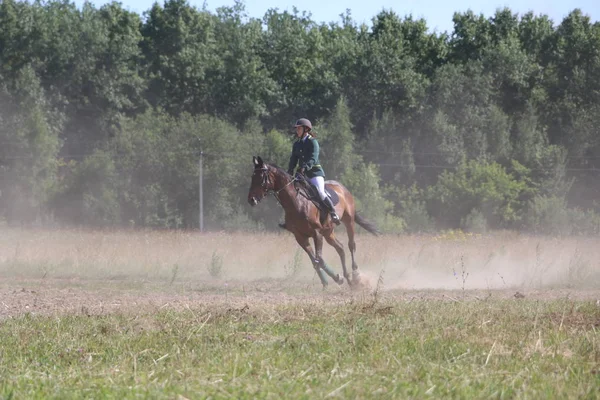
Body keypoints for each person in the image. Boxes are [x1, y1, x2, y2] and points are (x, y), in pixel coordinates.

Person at [287, 118, 340, 225]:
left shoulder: (313, 142)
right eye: (296, 129)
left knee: (320, 192)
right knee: (291, 192)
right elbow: (293, 159)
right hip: (301, 174)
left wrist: (304, 167)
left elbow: (313, 158)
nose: (297, 131)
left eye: (299, 128)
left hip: (315, 173)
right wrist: (290, 170)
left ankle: (333, 212)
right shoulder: (296, 144)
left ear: (306, 129)